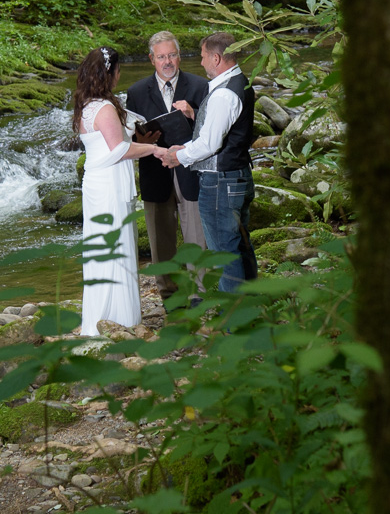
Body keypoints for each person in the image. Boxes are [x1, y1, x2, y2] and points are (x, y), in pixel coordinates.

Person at [158, 32, 258, 293]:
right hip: (236, 176)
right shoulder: (239, 82)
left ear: (216, 58)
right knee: (241, 247)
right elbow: (212, 138)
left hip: (221, 183)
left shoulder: (224, 95)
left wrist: (177, 156)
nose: (201, 63)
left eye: (203, 57)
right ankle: (251, 310)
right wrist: (185, 147)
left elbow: (210, 144)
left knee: (224, 253)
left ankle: (234, 322)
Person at [72, 46, 161, 336]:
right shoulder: (106, 108)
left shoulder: (86, 105)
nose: (120, 74)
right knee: (117, 246)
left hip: (96, 183)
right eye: (118, 70)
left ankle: (100, 318)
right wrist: (154, 148)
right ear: (109, 73)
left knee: (101, 248)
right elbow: (120, 149)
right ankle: (119, 319)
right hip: (109, 185)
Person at [124, 31, 209, 300]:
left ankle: (200, 294)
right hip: (155, 173)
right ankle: (170, 296)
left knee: (197, 237)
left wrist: (193, 115)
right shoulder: (136, 92)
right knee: (160, 242)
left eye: (172, 55)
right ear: (152, 59)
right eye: (161, 57)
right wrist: (141, 139)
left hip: (191, 172)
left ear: (179, 56)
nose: (167, 61)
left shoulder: (200, 86)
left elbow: (213, 133)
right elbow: (130, 137)